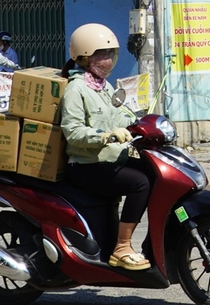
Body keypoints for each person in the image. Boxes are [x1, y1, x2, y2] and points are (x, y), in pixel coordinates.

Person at [57, 23, 150, 270]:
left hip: (109, 161)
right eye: (101, 55)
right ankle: (122, 247)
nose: (108, 60)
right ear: (85, 57)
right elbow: (74, 132)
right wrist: (106, 136)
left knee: (153, 170)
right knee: (139, 183)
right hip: (87, 165)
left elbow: (119, 116)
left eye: (110, 55)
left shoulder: (103, 86)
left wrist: (140, 123)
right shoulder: (77, 89)